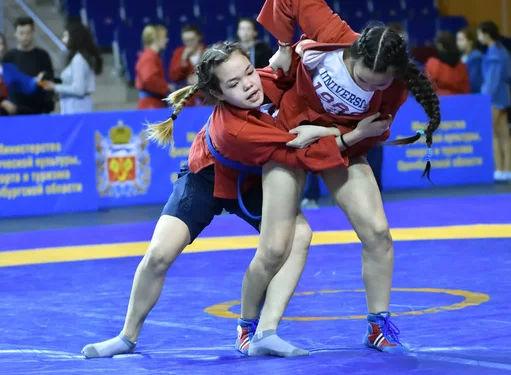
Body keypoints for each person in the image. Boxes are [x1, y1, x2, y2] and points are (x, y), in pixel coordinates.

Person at [80, 42, 381, 359]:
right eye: (234, 84)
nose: (249, 85)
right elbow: (300, 145)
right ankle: (126, 337)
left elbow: (291, 57)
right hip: (206, 177)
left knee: (300, 236)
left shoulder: (264, 80)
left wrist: (295, 50)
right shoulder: (233, 129)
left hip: (253, 180)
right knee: (158, 254)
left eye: (248, 72)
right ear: (219, 94)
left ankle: (264, 331)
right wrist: (353, 136)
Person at [175, 0, 441, 356]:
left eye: (379, 83)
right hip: (289, 140)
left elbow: (371, 133)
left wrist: (331, 134)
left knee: (378, 233)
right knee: (273, 249)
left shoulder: (394, 87)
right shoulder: (334, 36)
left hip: (340, 147)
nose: (369, 87)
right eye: (362, 79)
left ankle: (378, 326)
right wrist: (286, 47)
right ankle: (248, 326)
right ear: (351, 54)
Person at [477, 21, 511, 181]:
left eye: (479, 33)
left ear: (486, 34)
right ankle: (508, 169)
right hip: (504, 95)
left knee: (492, 133)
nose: (478, 37)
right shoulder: (502, 50)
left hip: (495, 98)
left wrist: (484, 96)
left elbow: (492, 81)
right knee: (504, 134)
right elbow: (509, 74)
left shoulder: (493, 54)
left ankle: (499, 169)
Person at [41, 21, 102, 114]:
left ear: (74, 37)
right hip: (72, 108)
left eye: (66, 36)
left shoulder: (79, 60)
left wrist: (54, 87)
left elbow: (79, 89)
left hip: (78, 109)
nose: (63, 40)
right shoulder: (76, 59)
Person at [3, 16, 55, 115]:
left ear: (33, 33)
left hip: (39, 109)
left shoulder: (42, 55)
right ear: (15, 34)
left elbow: (49, 81)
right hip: (15, 110)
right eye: (21, 33)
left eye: (28, 33)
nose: (25, 37)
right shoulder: (8, 57)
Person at [0, 33, 42, 116]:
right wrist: (2, 102)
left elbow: (26, 83)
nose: (1, 48)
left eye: (2, 44)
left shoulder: (10, 69)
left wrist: (38, 81)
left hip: (7, 118)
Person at [135, 24, 173, 109]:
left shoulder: (153, 56)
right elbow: (148, 79)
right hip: (151, 105)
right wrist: (166, 87)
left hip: (154, 103)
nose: (167, 40)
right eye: (164, 37)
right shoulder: (149, 57)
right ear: (156, 39)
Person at [425, 31, 469, 96]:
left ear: (440, 45)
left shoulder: (432, 64)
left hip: (439, 102)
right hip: (459, 101)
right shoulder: (462, 66)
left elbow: (428, 88)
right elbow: (466, 88)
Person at [456, 27, 483, 93]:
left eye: (461, 40)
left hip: (474, 97)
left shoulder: (476, 57)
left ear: (470, 41)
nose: (458, 43)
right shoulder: (461, 57)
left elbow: (474, 82)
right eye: (457, 40)